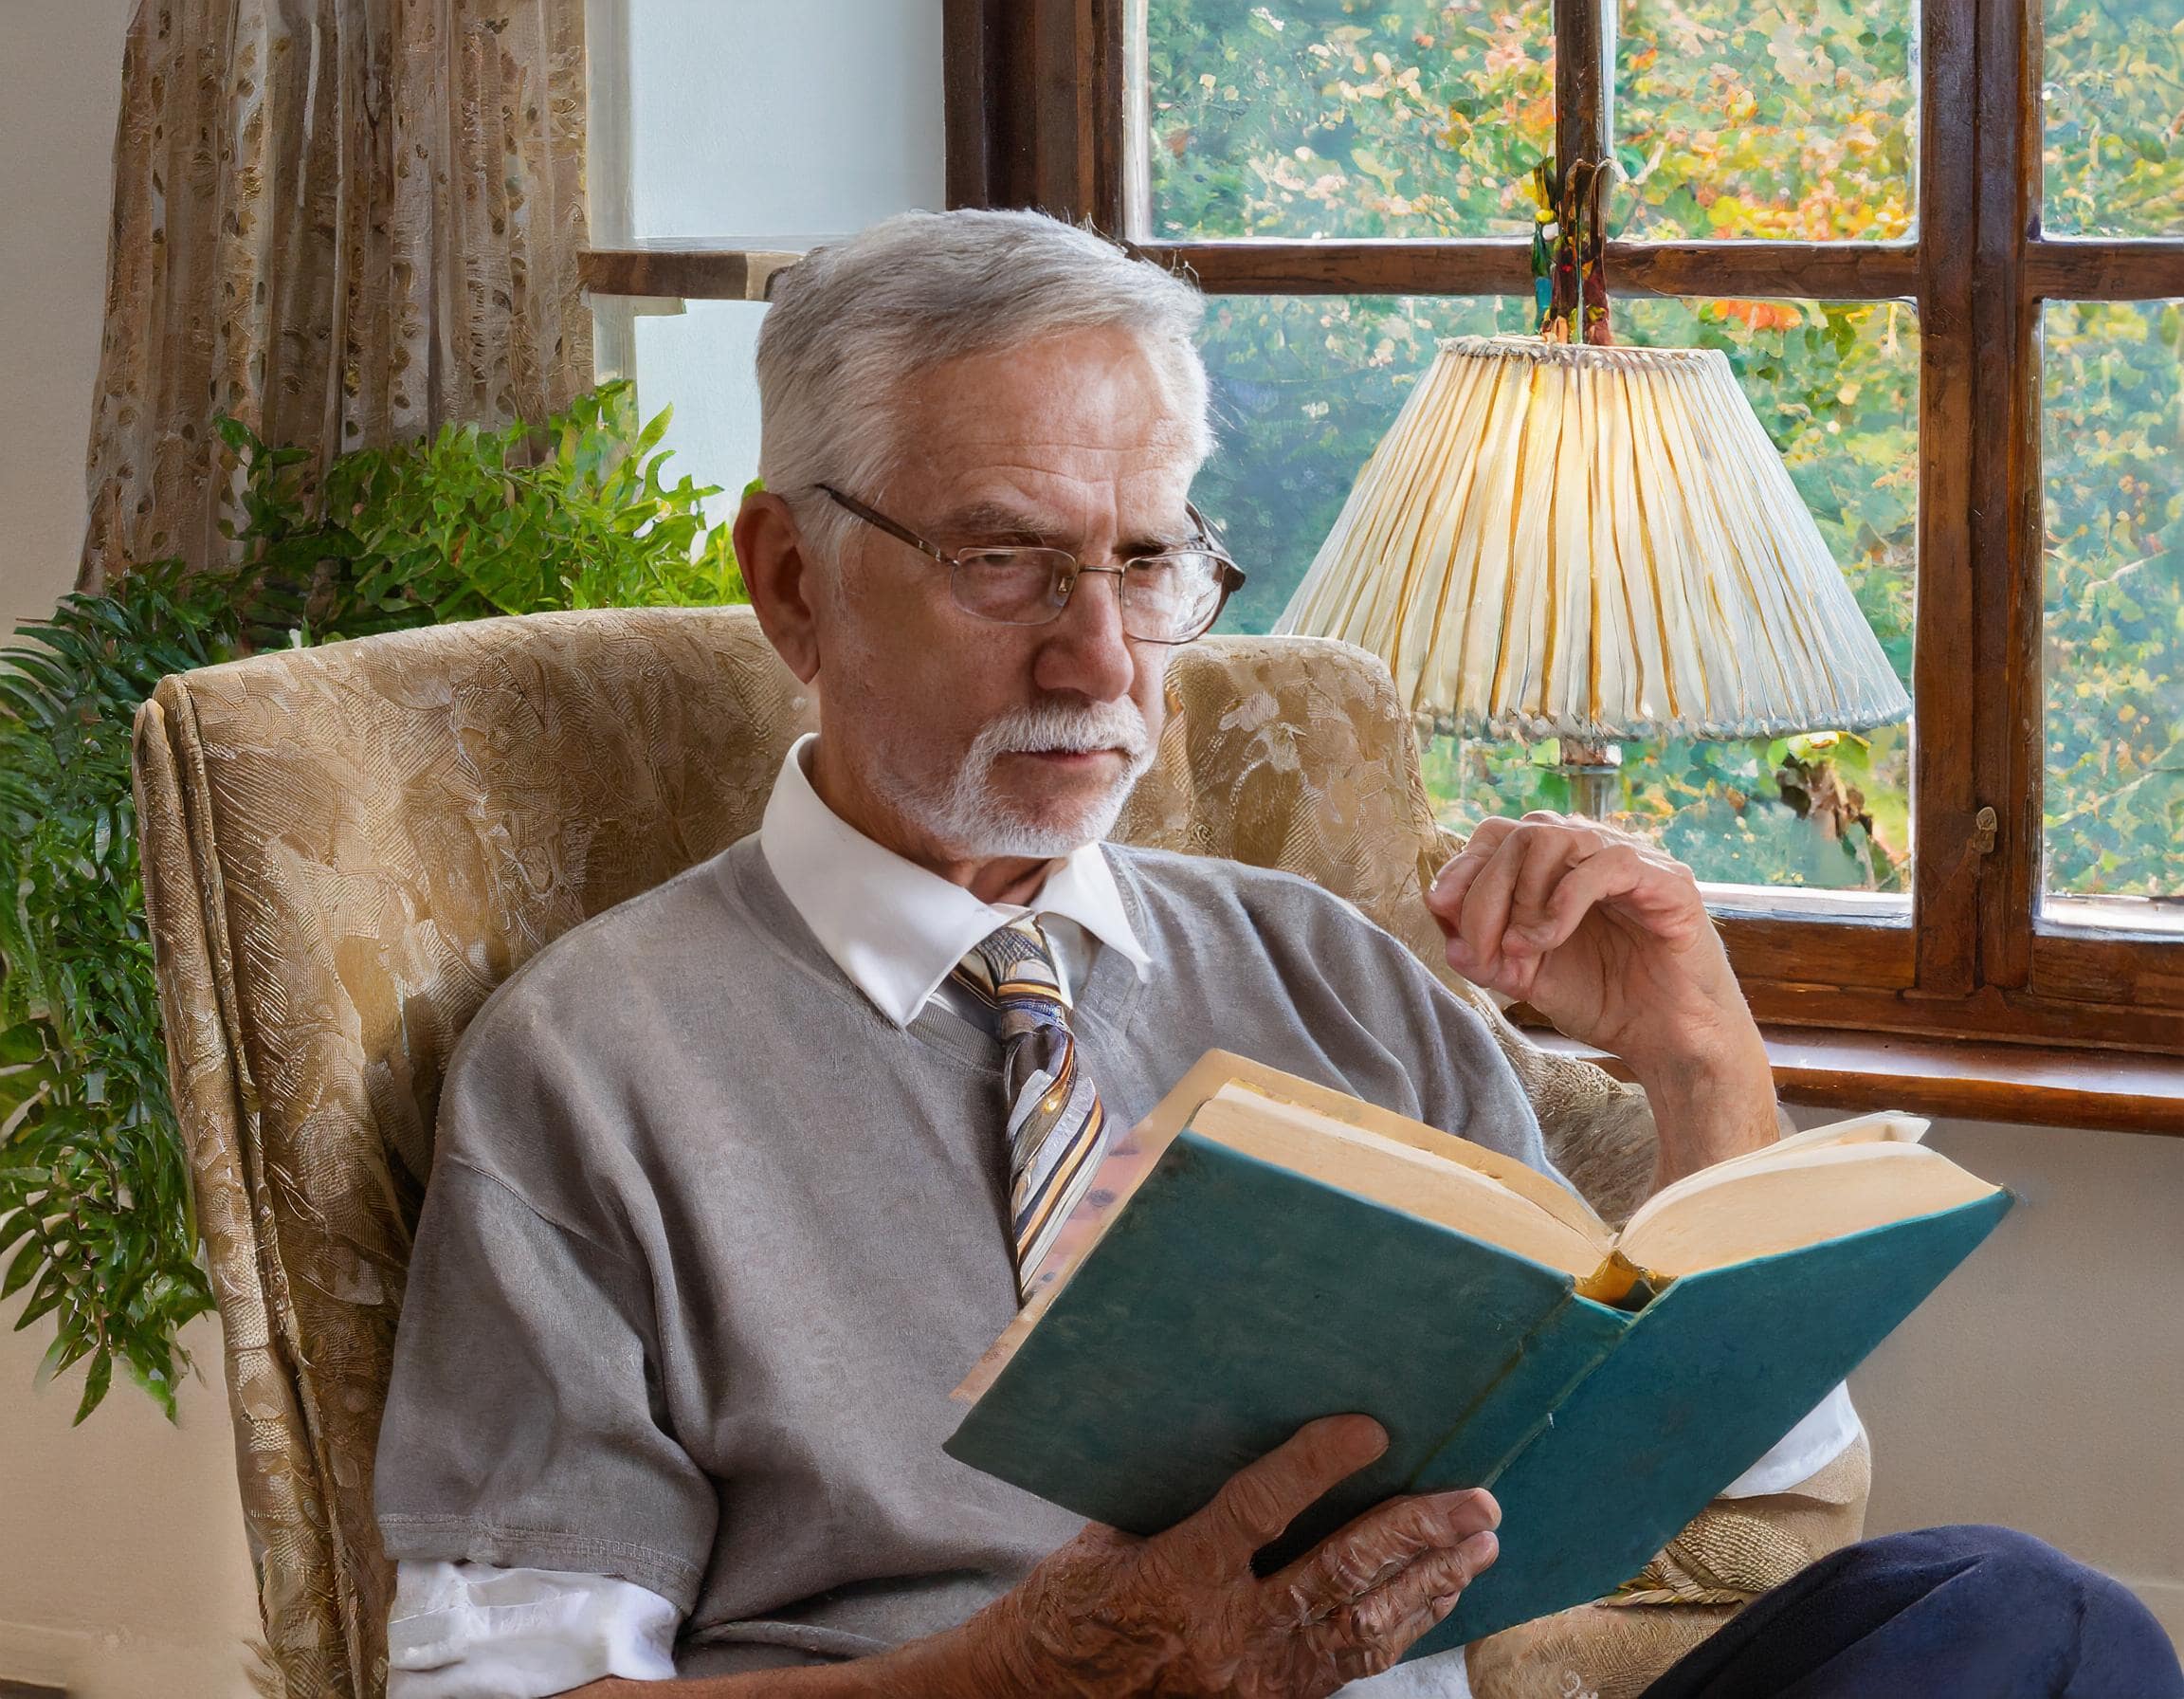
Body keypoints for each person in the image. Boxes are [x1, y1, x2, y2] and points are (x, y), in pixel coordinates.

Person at [373, 209, 2183, 1699]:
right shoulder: (592, 1064)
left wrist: (1698, 1060)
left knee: (2025, 1619)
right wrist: (1036, 1675)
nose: (1100, 662)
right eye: (1005, 564)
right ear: (792, 581)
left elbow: (1761, 1498)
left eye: (1147, 564)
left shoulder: (1324, 968)